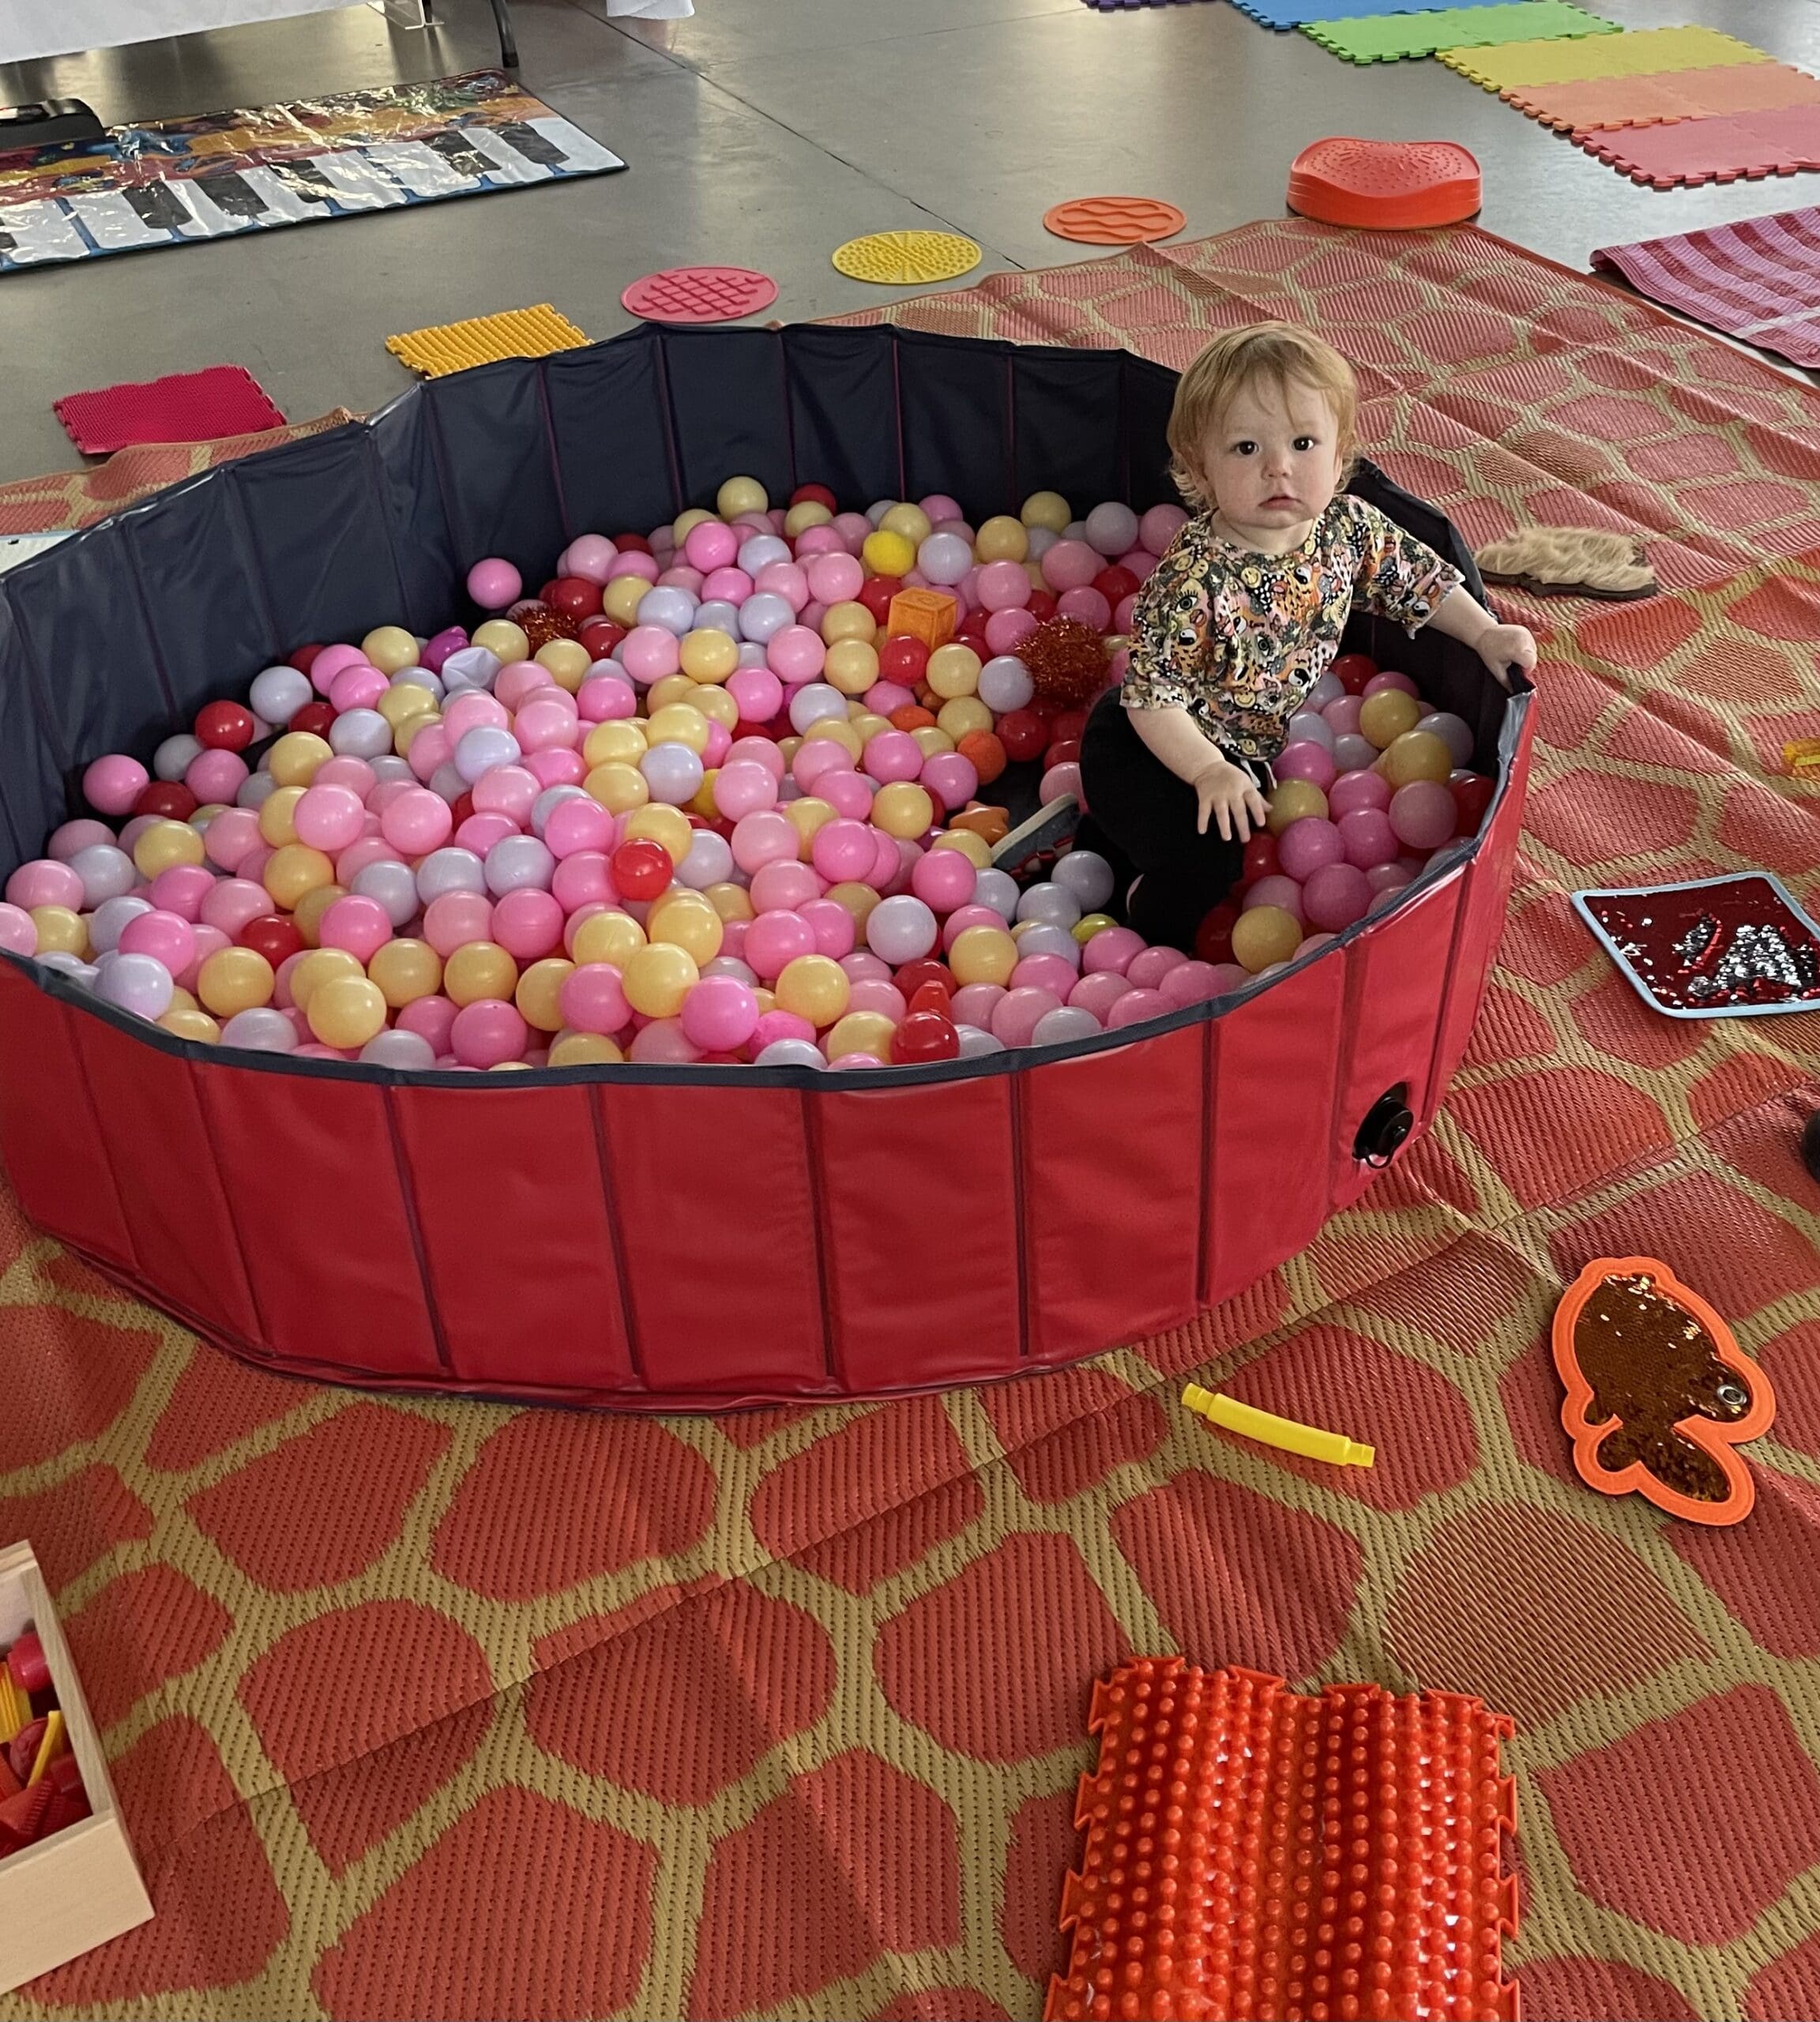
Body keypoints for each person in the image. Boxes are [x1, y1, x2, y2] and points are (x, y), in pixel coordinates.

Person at [1078, 321, 1537, 954]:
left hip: (1237, 745)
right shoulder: (1195, 579)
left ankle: (1108, 839)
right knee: (1208, 858)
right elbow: (1151, 702)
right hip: (1148, 746)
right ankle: (1145, 925)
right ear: (1197, 467)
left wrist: (1485, 633)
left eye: (1302, 443)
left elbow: (1420, 583)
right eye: (1245, 449)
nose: (1278, 468)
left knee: (1232, 814)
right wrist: (1210, 770)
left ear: (1339, 453)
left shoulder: (1346, 531)